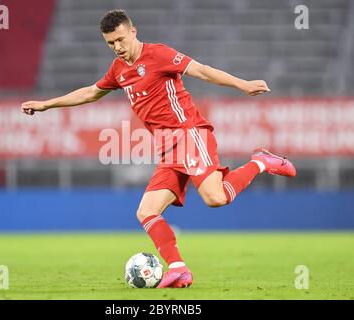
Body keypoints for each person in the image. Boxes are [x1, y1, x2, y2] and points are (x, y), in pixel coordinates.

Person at [21, 9, 296, 288]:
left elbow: (200, 70)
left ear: (133, 32)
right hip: (167, 148)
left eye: (119, 40)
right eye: (110, 43)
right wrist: (46, 104)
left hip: (189, 133)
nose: (117, 47)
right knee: (146, 211)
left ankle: (261, 161)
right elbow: (91, 92)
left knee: (215, 198)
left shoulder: (159, 55)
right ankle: (178, 268)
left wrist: (242, 84)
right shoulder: (118, 70)